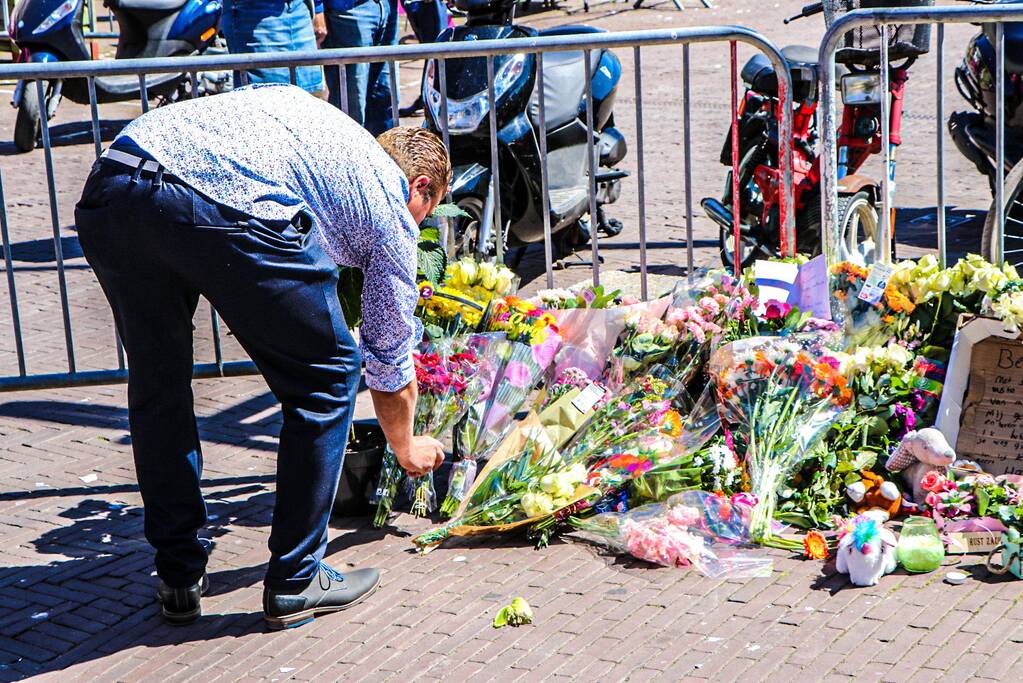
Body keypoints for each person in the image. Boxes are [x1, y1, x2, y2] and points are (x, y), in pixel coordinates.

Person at [74, 83, 450, 630]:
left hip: (115, 186)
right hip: (212, 199)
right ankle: (297, 578)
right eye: (429, 212)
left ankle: (178, 574)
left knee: (159, 383)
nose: (419, 227)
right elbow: (388, 355)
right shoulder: (390, 204)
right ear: (420, 186)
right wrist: (405, 445)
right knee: (326, 379)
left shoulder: (324, 133)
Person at [322, 0, 398, 134]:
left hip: (387, 8)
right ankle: (346, 154)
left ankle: (382, 155)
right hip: (349, 11)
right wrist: (317, 9)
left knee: (387, 100)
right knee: (351, 109)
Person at [222, 0, 328, 95]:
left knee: (310, 94)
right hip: (253, 11)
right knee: (265, 95)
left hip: (299, 9)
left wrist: (318, 8)